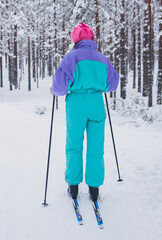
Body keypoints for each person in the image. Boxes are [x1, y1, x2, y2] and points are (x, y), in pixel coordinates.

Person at [50, 23, 119, 202]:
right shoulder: (103, 59)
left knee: (74, 144)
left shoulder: (71, 58)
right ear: (92, 39)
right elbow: (112, 84)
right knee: (96, 145)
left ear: (75, 40)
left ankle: (73, 186)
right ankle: (94, 188)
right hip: (96, 102)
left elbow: (60, 86)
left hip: (76, 105)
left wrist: (53, 90)